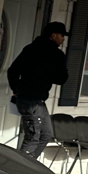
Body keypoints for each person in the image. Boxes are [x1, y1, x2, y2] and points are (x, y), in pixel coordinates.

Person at [7, 20, 69, 159]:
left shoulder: (30, 49)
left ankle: (30, 164)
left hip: (30, 99)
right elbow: (61, 79)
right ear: (53, 35)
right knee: (33, 136)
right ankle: (21, 167)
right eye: (62, 35)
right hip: (33, 101)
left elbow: (13, 71)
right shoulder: (56, 54)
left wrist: (16, 89)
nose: (63, 39)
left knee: (45, 134)